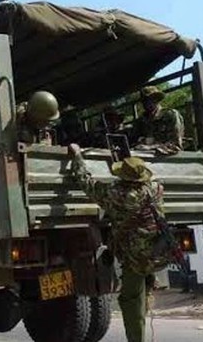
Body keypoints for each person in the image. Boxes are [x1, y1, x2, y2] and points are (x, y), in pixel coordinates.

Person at [68, 144, 171, 342]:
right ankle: (149, 288)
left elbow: (86, 182)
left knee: (130, 301)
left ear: (124, 179)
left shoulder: (118, 195)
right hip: (156, 252)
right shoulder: (156, 190)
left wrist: (78, 156)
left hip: (135, 258)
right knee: (141, 290)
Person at [132, 86, 184, 155]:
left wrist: (150, 147)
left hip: (168, 157)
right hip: (145, 157)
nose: (145, 103)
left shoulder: (170, 115)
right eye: (144, 100)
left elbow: (175, 144)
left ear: (157, 100)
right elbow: (135, 141)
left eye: (149, 99)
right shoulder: (141, 120)